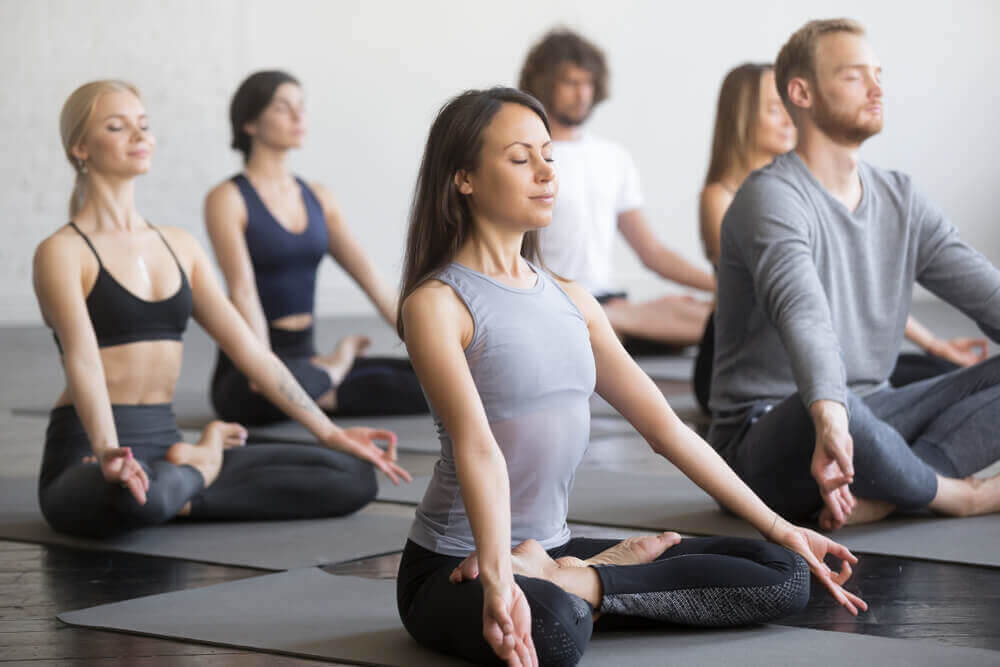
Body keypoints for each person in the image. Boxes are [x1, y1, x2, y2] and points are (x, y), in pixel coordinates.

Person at [395, 87, 866, 667]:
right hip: (454, 564)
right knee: (554, 631)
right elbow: (478, 447)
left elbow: (667, 430)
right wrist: (498, 575)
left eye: (549, 155)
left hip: (550, 552)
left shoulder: (573, 300)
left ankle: (578, 578)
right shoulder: (439, 304)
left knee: (785, 573)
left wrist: (779, 525)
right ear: (463, 178)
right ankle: (578, 582)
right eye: (521, 159)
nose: (545, 172)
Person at [33, 80, 409, 538]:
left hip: (165, 443)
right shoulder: (63, 251)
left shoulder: (179, 246)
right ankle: (204, 462)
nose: (139, 136)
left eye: (144, 126)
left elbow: (252, 353)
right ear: (80, 147)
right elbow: (83, 359)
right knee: (129, 494)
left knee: (352, 476)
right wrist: (108, 448)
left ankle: (186, 475)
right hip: (89, 451)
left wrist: (329, 432)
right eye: (117, 126)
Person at [709, 19, 1000, 533]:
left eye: (879, 74)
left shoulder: (901, 198)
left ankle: (892, 490)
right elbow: (803, 312)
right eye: (853, 76)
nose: (877, 88)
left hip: (877, 416)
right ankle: (951, 495)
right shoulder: (770, 198)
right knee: (833, 408)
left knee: (867, 415)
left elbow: (987, 292)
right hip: (771, 437)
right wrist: (832, 417)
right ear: (802, 92)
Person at [692, 62, 984, 413]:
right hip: (757, 363)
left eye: (790, 107)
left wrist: (935, 344)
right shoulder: (723, 197)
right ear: (741, 120)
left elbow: (852, 292)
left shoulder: (808, 192)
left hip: (819, 346)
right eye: (774, 110)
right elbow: (801, 294)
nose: (790, 118)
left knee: (945, 373)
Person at [205, 71, 427, 425]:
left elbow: (371, 280)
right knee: (273, 389)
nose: (298, 117)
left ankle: (326, 378)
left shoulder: (319, 198)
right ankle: (338, 363)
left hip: (307, 361)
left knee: (435, 381)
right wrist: (267, 373)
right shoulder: (228, 199)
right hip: (249, 370)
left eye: (301, 107)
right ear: (249, 122)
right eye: (282, 107)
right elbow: (242, 292)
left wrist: (431, 345)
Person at [519, 29, 714, 353]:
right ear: (544, 83)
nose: (582, 94)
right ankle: (605, 324)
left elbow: (651, 251)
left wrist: (723, 288)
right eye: (570, 82)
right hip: (550, 299)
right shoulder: (524, 156)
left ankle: (611, 321)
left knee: (716, 318)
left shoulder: (613, 157)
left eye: (588, 83)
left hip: (608, 301)